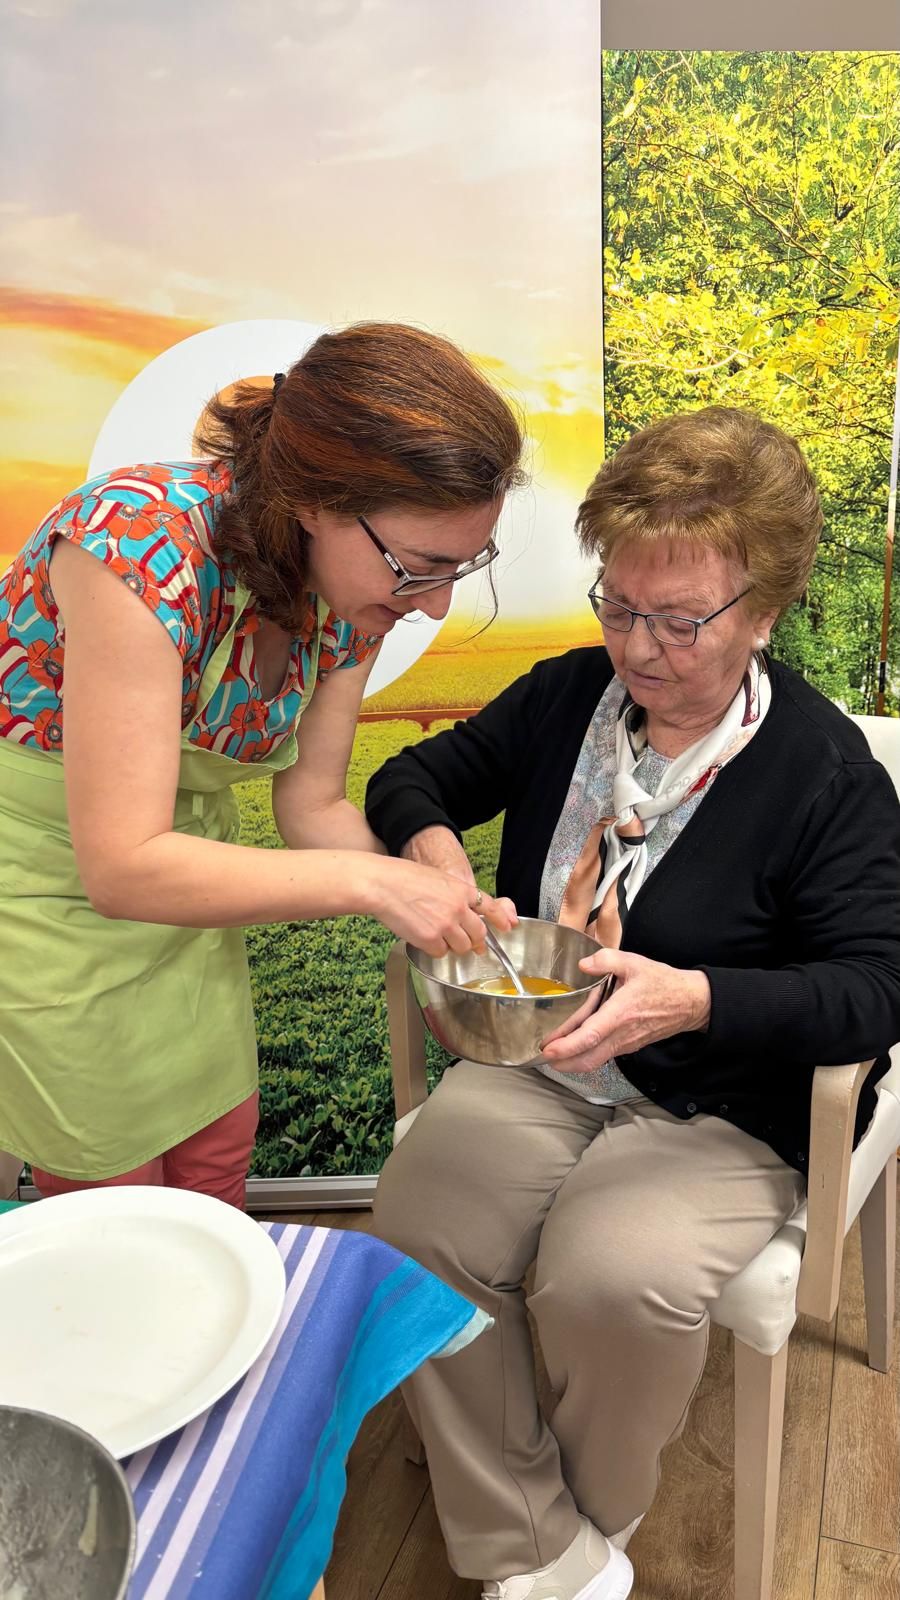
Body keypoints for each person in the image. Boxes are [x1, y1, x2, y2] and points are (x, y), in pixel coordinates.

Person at [365, 406, 900, 1600]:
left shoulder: (824, 775)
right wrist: (442, 861)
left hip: (711, 1101)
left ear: (763, 614)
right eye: (620, 604)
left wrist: (697, 999)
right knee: (414, 1233)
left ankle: (574, 1524)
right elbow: (412, 777)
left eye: (681, 620)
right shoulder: (568, 701)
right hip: (543, 1057)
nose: (640, 648)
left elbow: (875, 989)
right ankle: (549, 1552)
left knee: (607, 1276)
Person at [0, 322, 521, 1207]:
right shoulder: (133, 546)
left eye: (461, 570)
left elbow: (312, 805)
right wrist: (377, 891)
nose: (432, 606)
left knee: (215, 1158)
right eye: (419, 568)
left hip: (191, 879)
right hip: (44, 889)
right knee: (117, 1200)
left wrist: (435, 895)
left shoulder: (349, 599)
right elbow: (122, 866)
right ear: (315, 499)